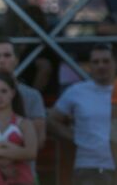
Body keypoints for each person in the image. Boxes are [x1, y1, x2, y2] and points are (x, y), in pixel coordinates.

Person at [48, 43, 116, 185]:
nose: (101, 66)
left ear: (114, 63)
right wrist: (74, 136)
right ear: (89, 65)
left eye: (106, 61)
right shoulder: (77, 91)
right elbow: (51, 120)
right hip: (88, 166)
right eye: (96, 62)